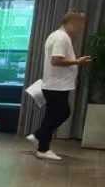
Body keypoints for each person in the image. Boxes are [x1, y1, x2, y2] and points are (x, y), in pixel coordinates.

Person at [28, 10, 93, 161]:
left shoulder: (57, 35)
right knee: (62, 113)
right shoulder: (61, 38)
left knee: (52, 115)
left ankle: (41, 143)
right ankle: (41, 142)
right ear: (72, 23)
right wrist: (77, 61)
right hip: (56, 85)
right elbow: (56, 60)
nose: (80, 29)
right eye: (80, 25)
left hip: (55, 84)